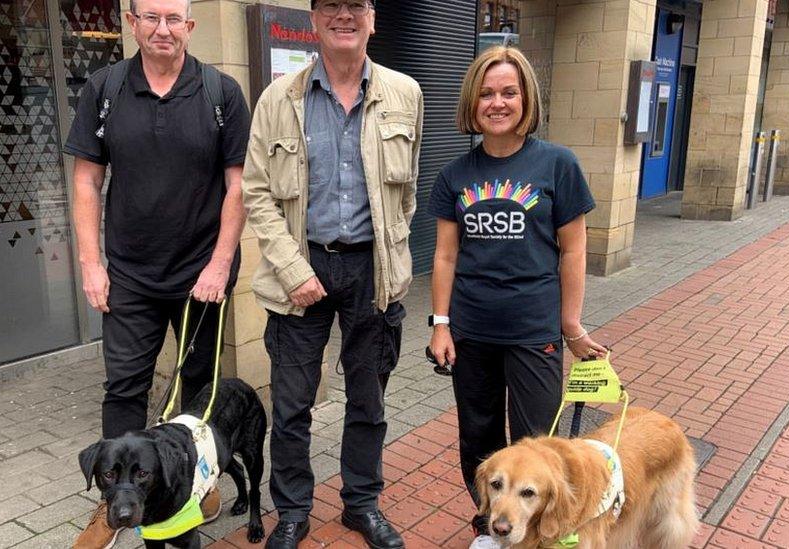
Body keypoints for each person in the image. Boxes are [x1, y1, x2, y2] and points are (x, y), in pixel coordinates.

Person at [63, 0, 251, 546]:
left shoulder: (221, 94)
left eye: (173, 19)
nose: (162, 29)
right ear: (132, 22)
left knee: (198, 392)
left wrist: (219, 263)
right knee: (124, 388)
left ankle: (198, 486)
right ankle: (116, 502)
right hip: (129, 275)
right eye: (151, 17)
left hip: (201, 277)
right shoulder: (105, 89)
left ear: (189, 26)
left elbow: (238, 186)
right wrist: (91, 265)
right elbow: (85, 184)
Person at [241, 1, 423, 547]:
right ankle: (293, 510)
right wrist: (295, 268)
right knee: (293, 404)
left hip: (372, 271)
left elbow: (406, 193)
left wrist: (385, 255)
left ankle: (361, 504)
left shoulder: (405, 93)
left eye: (355, 6)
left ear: (371, 18)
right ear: (315, 21)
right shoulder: (279, 98)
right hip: (301, 268)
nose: (343, 16)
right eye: (330, 7)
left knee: (368, 400)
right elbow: (256, 190)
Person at [426, 46, 607, 548]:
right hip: (471, 332)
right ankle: (491, 526)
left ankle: (541, 536)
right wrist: (440, 323)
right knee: (479, 441)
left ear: (526, 98)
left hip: (534, 332)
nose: (497, 102)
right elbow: (444, 257)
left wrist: (571, 326)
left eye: (509, 92)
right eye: (486, 93)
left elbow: (574, 250)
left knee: (540, 447)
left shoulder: (558, 165)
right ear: (472, 101)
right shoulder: (455, 175)